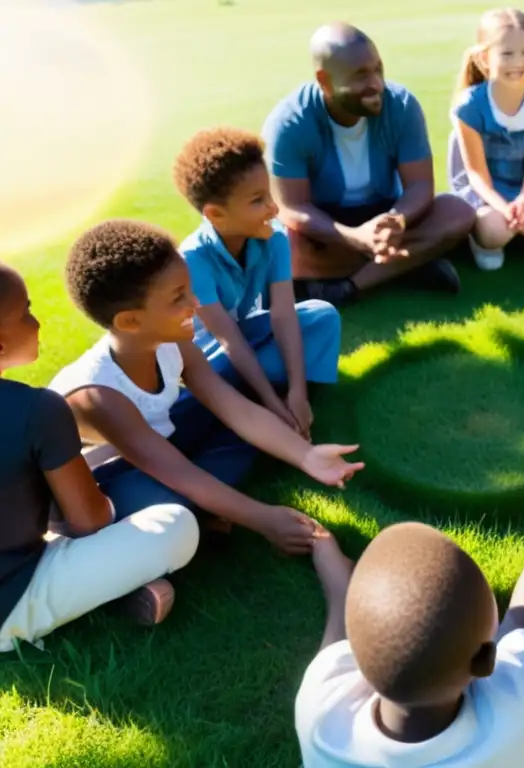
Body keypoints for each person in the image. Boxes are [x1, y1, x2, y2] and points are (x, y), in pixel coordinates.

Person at [49, 220, 364, 555]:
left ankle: (209, 512)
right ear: (130, 321)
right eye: (178, 297)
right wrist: (264, 519)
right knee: (173, 503)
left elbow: (234, 408)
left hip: (159, 444)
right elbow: (177, 472)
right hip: (99, 485)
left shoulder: (171, 340)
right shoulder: (98, 394)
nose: (195, 302)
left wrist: (307, 456)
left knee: (244, 436)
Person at [295, 423, 524, 766]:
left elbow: (337, 636)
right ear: (488, 661)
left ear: (356, 659)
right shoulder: (508, 710)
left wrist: (328, 560)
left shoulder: (321, 716)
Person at [0, 264, 198, 650]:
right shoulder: (37, 409)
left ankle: (115, 588)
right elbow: (90, 520)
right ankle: (113, 590)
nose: (36, 322)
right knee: (176, 525)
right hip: (11, 600)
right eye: (25, 312)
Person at [262, 22, 476, 307]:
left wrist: (397, 220)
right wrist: (352, 237)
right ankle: (409, 265)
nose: (376, 84)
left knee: (458, 213)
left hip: (386, 214)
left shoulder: (400, 105)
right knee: (279, 245)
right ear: (324, 81)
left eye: (378, 69)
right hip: (325, 224)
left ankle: (346, 287)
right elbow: (292, 208)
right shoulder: (289, 122)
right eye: (361, 76)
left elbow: (421, 184)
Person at [173, 127, 341, 439]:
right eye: (257, 200)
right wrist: (273, 404)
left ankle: (270, 390)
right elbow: (227, 339)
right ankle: (244, 400)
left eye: (269, 194)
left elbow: (283, 314)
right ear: (215, 214)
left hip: (250, 337)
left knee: (323, 314)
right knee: (224, 370)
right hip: (211, 356)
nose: (273, 208)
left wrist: (297, 392)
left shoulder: (274, 236)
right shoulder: (192, 258)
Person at [447, 8, 524, 271]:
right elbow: (476, 174)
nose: (518, 62)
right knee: (494, 233)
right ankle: (488, 236)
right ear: (484, 58)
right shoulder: (469, 108)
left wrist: (523, 201)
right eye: (507, 54)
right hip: (486, 189)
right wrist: (503, 208)